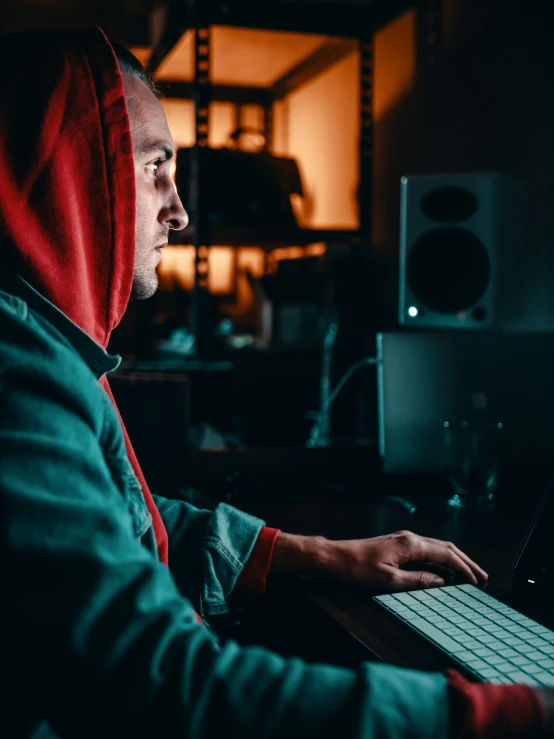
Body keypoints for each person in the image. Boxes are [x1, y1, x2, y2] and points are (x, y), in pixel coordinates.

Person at [0, 27, 551, 738]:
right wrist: (509, 716)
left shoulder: (42, 344)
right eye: (154, 168)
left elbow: (113, 513)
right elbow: (164, 686)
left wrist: (319, 552)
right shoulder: (19, 368)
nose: (180, 211)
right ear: (75, 173)